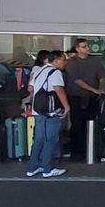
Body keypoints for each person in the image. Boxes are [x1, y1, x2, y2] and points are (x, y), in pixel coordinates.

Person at [25, 50, 70, 178]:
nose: (65, 62)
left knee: (38, 139)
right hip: (50, 111)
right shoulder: (55, 72)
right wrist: (66, 106)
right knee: (51, 139)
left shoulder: (39, 70)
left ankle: (32, 167)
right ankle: (47, 168)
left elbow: (31, 88)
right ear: (56, 60)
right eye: (63, 60)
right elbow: (58, 89)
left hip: (37, 110)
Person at [64, 38, 105, 162]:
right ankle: (77, 152)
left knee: (92, 123)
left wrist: (100, 88)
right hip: (76, 97)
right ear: (77, 49)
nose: (87, 48)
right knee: (77, 124)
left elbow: (102, 77)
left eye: (87, 46)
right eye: (83, 46)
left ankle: (92, 149)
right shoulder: (72, 62)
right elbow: (77, 81)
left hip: (92, 98)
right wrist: (94, 90)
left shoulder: (95, 60)